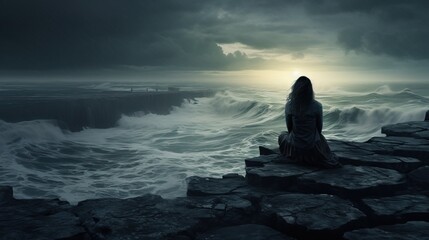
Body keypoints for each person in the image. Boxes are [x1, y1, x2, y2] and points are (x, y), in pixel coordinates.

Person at [278, 76, 341, 168]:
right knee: (320, 138)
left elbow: (289, 128)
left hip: (296, 147)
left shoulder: (290, 105)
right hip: (313, 148)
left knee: (282, 135)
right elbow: (319, 129)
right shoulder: (317, 106)